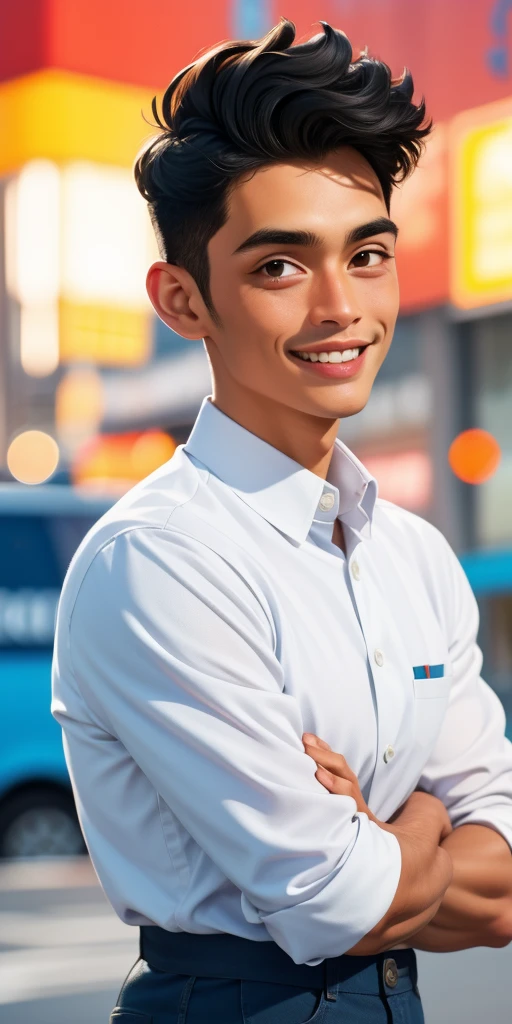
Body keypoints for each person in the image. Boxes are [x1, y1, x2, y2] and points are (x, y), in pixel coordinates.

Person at [51, 19, 512, 1024]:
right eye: (278, 266)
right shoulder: (160, 560)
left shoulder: (413, 553)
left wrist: (382, 832)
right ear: (183, 298)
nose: (339, 308)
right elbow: (337, 903)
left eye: (368, 253)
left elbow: (503, 887)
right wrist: (430, 820)